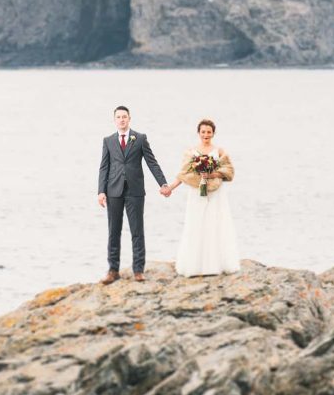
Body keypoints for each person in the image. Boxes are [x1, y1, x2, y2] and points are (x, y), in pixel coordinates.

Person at [97, 106, 171, 284]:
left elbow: (152, 163)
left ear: (129, 119)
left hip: (135, 191)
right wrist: (101, 191)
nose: (121, 120)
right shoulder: (108, 140)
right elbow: (104, 167)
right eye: (118, 117)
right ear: (114, 120)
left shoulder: (140, 139)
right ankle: (113, 270)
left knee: (137, 231)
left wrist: (163, 183)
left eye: (124, 117)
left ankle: (138, 270)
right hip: (113, 191)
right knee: (113, 231)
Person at [165, 119, 240, 277]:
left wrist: (212, 174)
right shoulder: (191, 152)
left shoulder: (219, 151)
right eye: (203, 132)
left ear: (213, 133)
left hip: (215, 193)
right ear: (198, 133)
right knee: (196, 223)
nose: (206, 135)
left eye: (209, 132)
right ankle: (194, 264)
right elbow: (183, 173)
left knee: (215, 223)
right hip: (196, 192)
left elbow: (229, 171)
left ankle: (216, 264)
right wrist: (171, 187)